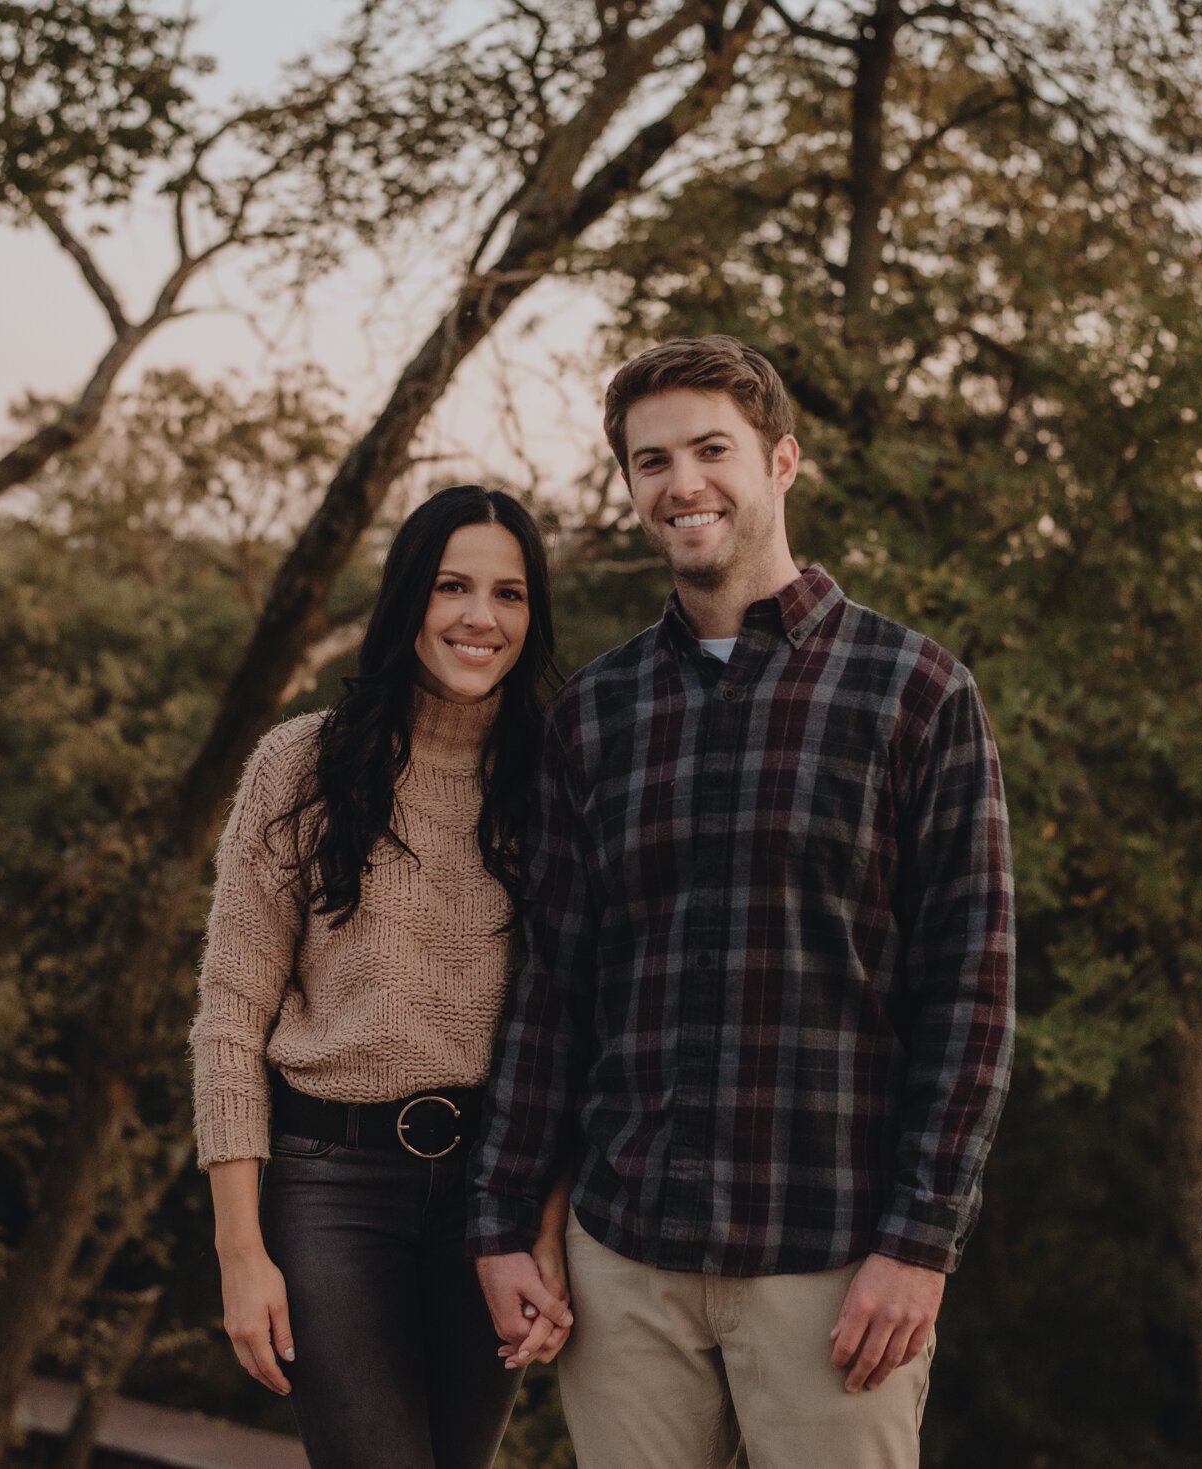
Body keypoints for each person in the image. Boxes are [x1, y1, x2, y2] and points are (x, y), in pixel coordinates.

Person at [468, 336, 1016, 1468]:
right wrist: (503, 1217)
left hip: (832, 1260)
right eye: (649, 460)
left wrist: (919, 1242)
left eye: (710, 449)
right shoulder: (594, 714)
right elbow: (552, 993)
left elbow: (970, 994)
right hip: (625, 1258)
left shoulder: (914, 692)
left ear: (781, 460)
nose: (682, 484)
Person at [190, 484, 573, 1469]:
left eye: (509, 593)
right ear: (409, 597)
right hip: (332, 1186)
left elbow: (578, 1026)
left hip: (493, 1195)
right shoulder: (300, 765)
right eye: (452, 585)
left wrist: (545, 1224)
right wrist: (241, 1250)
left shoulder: (557, 783)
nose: (479, 616)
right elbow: (230, 1015)